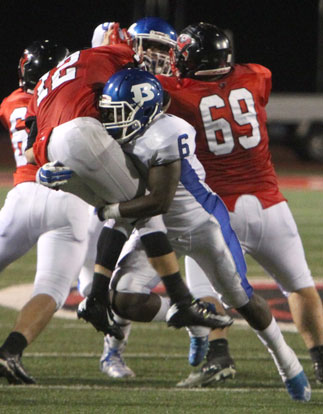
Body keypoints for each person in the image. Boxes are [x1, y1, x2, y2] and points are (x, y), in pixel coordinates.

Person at [68, 66, 311, 402]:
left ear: (147, 110)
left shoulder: (168, 132)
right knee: (123, 299)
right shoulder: (122, 140)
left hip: (202, 225)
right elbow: (120, 222)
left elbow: (158, 200)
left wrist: (111, 209)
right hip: (155, 227)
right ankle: (195, 320)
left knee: (241, 300)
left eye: (119, 113)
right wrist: (96, 289)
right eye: (109, 113)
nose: (112, 122)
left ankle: (288, 364)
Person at [25, 29, 225, 338]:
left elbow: (29, 147)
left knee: (119, 209)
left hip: (50, 153)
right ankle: (182, 300)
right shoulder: (115, 55)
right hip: (82, 134)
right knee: (145, 203)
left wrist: (41, 170)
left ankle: (94, 297)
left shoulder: (47, 82)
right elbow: (138, 89)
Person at [157, 22, 323, 387]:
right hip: (269, 206)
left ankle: (219, 358)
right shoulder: (257, 77)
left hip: (218, 211)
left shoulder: (176, 93)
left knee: (202, 290)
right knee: (299, 286)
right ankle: (320, 361)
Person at [0, 40, 91, 385]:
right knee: (52, 289)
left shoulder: (10, 103)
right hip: (69, 199)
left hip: (23, 195)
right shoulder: (74, 99)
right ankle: (10, 350)